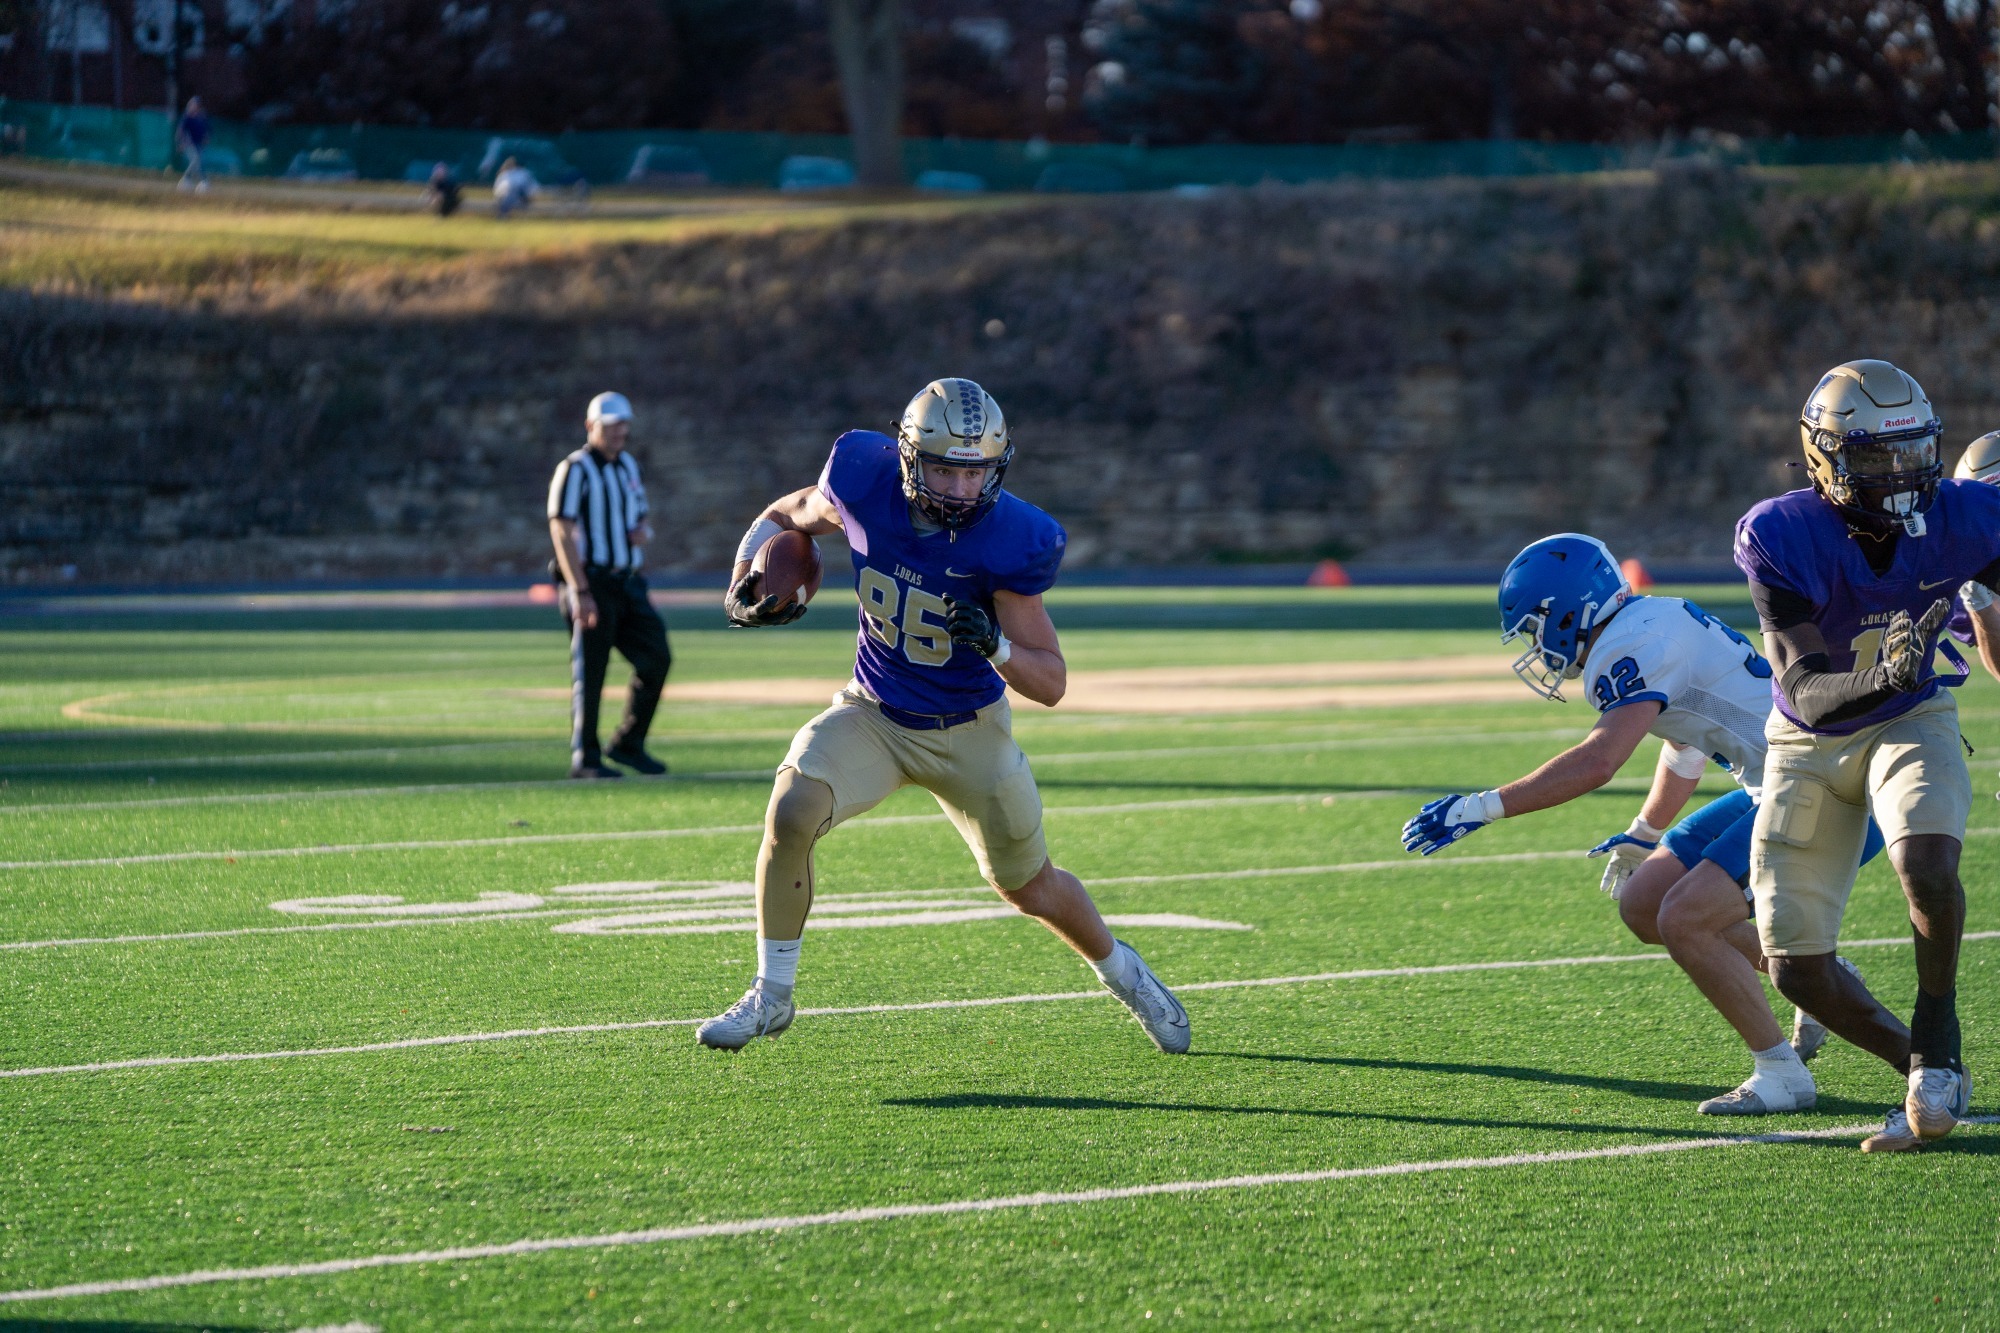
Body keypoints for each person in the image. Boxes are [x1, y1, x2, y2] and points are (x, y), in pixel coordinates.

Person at [695, 377, 1190, 1054]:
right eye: (944, 470)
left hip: (968, 730)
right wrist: (743, 573)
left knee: (1030, 886)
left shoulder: (1010, 538)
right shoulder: (861, 481)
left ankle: (1123, 971)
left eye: (974, 472)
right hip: (873, 712)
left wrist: (996, 644)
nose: (960, 489)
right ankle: (771, 994)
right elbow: (789, 514)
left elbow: (1051, 682)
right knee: (791, 810)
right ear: (907, 458)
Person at [1401, 533, 1884, 1114]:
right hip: (1779, 781)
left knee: (1686, 919)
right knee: (1645, 902)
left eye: (1536, 627)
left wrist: (1481, 807)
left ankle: (1782, 1071)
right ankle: (1819, 973)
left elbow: (1598, 762)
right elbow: (1686, 743)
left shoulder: (1633, 645)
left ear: (1567, 612)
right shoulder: (1647, 622)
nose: (1537, 645)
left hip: (1825, 786)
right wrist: (1644, 833)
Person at [1736, 358, 2000, 1152]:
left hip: (1912, 717)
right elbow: (1805, 687)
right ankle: (1924, 1069)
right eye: (1879, 458)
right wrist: (1883, 671)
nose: (1903, 475)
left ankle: (1938, 1041)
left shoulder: (1964, 516)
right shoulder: (1780, 534)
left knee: (1927, 861)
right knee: (1795, 967)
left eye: (1915, 452)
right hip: (1808, 739)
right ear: (1824, 459)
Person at [546, 391, 671, 779]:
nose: (619, 432)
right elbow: (561, 529)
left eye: (623, 424)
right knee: (592, 670)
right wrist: (579, 590)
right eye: (611, 425)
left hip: (628, 582)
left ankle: (628, 743)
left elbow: (638, 514)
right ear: (591, 426)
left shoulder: (628, 465)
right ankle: (585, 757)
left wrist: (640, 532)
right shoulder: (575, 469)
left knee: (657, 657)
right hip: (592, 581)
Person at [174, 96, 209, 194]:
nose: (195, 107)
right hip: (189, 144)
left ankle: (188, 180)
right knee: (195, 160)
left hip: (198, 144)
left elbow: (206, 129)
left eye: (197, 105)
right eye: (193, 104)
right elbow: (180, 131)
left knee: (197, 162)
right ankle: (202, 180)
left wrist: (206, 137)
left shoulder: (201, 117)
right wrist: (181, 143)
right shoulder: (187, 117)